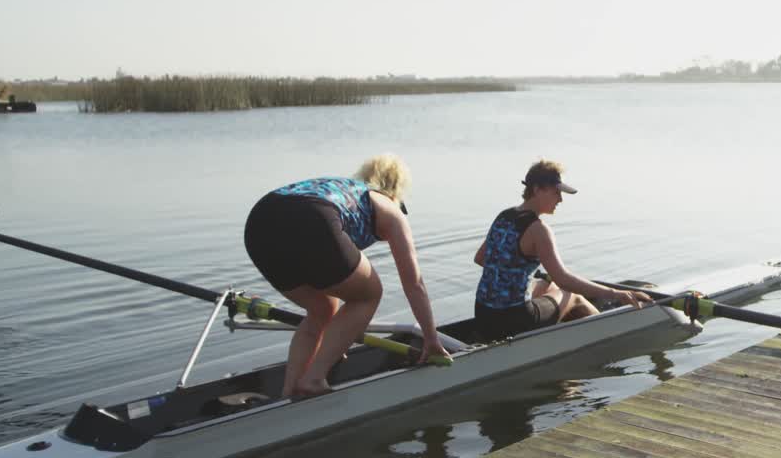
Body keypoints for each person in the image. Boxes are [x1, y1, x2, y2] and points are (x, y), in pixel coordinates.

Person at [244, 154, 450, 398]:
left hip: (260, 223)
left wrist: (336, 341)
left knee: (322, 309)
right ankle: (314, 378)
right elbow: (414, 283)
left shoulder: (345, 189)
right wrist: (431, 338)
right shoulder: (388, 207)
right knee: (369, 295)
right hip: (310, 218)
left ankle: (289, 391)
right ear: (395, 192)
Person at [473, 159, 651, 340]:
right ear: (537, 189)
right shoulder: (539, 230)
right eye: (556, 192)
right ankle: (609, 336)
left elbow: (481, 258)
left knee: (546, 284)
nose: (560, 199)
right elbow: (564, 280)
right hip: (514, 322)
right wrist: (616, 293)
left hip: (483, 316)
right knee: (570, 294)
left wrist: (522, 277)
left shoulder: (504, 216)